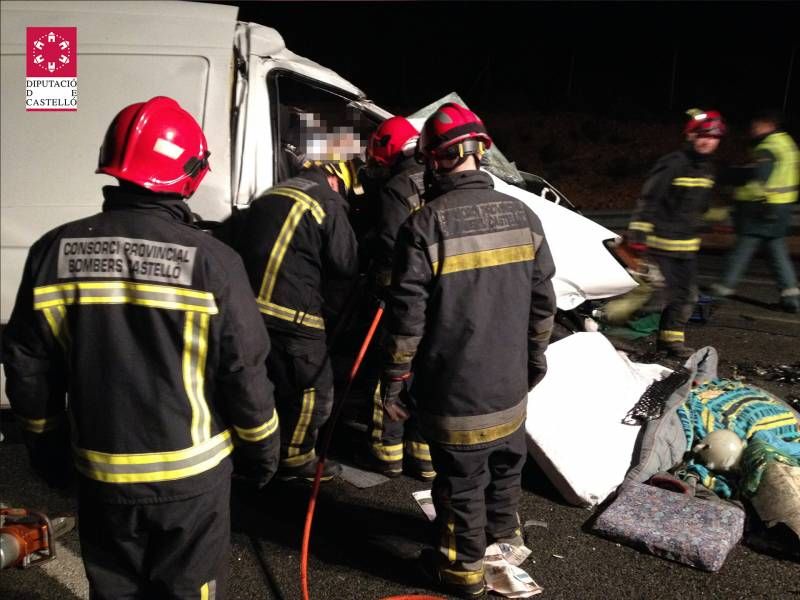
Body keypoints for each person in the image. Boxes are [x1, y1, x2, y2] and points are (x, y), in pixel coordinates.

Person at [2, 96, 280, 599]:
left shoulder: (53, 252)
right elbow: (244, 371)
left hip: (100, 474)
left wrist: (47, 449)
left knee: (114, 591)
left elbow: (27, 366)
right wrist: (263, 453)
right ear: (189, 174)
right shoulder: (213, 262)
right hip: (191, 483)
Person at [379, 102, 556, 598]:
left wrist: (394, 382)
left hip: (456, 392)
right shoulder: (525, 216)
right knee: (505, 469)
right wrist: (531, 365)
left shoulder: (424, 225)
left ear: (434, 159)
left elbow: (407, 321)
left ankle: (461, 571)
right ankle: (502, 540)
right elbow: (543, 304)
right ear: (481, 151)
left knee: (460, 482)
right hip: (510, 387)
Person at [225, 142, 359, 483]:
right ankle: (295, 458)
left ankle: (254, 450)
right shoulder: (327, 201)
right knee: (314, 390)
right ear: (335, 176)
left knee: (264, 385)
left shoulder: (272, 193)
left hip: (250, 311)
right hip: (295, 315)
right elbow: (346, 263)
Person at [353, 116, 434, 480]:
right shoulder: (436, 176)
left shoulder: (397, 187)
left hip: (399, 296)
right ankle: (426, 460)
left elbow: (389, 245)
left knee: (392, 372)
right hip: (438, 295)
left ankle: (388, 455)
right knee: (428, 374)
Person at [626, 108, 725, 358]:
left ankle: (670, 343)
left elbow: (698, 207)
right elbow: (649, 200)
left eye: (713, 137)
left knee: (686, 297)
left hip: (686, 249)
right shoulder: (673, 164)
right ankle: (603, 327)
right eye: (703, 135)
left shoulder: (707, 168)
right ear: (691, 136)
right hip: (660, 247)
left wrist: (714, 217)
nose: (708, 141)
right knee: (654, 299)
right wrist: (638, 238)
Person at [709, 110, 799, 313]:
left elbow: (759, 179)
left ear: (768, 125)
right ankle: (791, 296)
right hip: (782, 207)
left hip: (761, 207)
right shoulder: (787, 144)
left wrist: (735, 190)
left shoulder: (767, 147)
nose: (753, 130)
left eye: (756, 125)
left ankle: (722, 289)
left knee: (743, 249)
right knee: (776, 250)